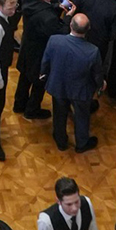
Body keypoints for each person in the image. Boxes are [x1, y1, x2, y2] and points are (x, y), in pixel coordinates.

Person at [41, 12, 102, 152]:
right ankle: (82, 143)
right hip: (80, 90)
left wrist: (44, 75)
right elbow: (97, 73)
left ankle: (60, 140)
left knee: (59, 114)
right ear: (88, 29)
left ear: (70, 25)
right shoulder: (93, 51)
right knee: (82, 116)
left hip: (58, 85)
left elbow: (46, 61)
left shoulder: (54, 40)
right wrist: (100, 86)